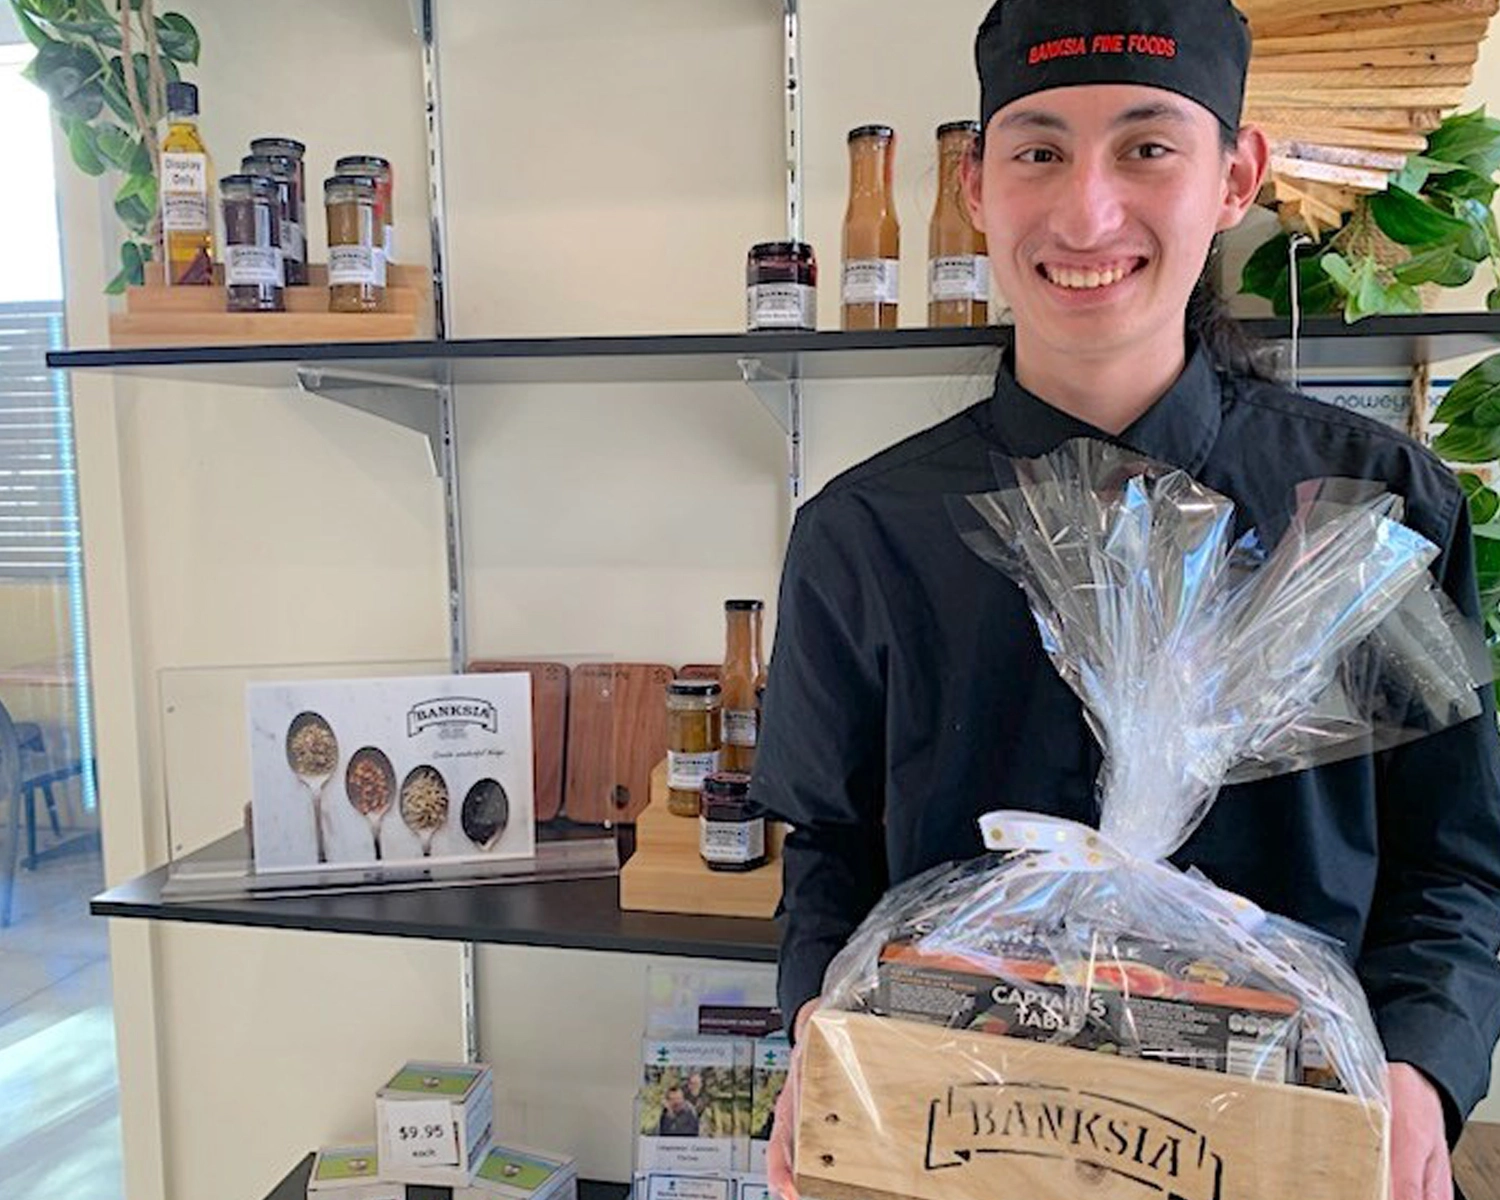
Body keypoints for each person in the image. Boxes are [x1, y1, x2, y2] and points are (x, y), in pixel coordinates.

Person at [754, 3, 1500, 1199]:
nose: (1087, 213)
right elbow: (830, 852)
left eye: (1147, 147)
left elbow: (1457, 863)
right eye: (1038, 150)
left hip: (1301, 1153)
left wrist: (1421, 1070)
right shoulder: (866, 532)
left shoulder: (1365, 511)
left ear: (1234, 177)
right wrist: (815, 1035)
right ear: (979, 184)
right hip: (959, 1149)